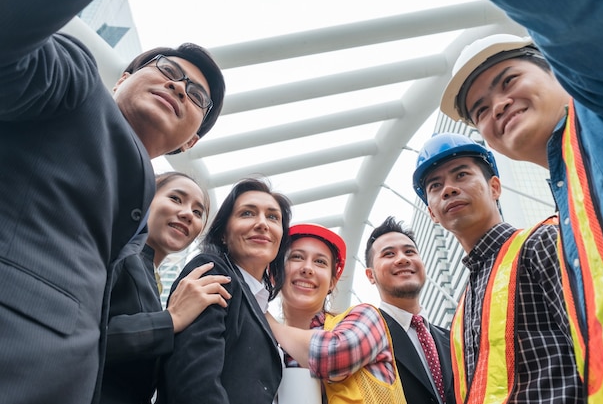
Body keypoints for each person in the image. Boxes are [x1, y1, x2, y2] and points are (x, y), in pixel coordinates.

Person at [0, 0, 225, 403]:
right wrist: (168, 321)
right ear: (122, 78)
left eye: (196, 96)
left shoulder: (135, 219)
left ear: (190, 141)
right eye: (167, 70)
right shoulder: (74, 86)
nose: (178, 87)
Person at [440, 0, 603, 399]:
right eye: (481, 111)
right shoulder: (570, 193)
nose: (498, 107)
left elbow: (579, 21)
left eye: (509, 81)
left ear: (559, 70)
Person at [412, 133, 583, 403]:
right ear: (432, 213)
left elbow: (596, 345)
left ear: (495, 187)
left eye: (461, 175)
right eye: (435, 186)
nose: (448, 189)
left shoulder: (542, 242)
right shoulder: (461, 309)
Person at [158, 177, 291, 404]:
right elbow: (195, 379)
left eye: (272, 217)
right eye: (247, 213)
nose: (262, 224)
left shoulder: (261, 305)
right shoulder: (212, 271)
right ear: (223, 234)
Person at [102, 172, 232, 404]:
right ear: (146, 199)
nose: (187, 214)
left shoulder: (151, 276)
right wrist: (171, 319)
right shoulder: (116, 253)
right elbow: (86, 337)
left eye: (197, 212)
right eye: (176, 198)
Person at [266, 223, 407, 404]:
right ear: (275, 275)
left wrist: (264, 316)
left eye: (320, 262)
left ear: (332, 282)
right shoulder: (265, 347)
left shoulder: (367, 318)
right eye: (297, 257)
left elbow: (332, 356)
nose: (307, 268)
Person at [365, 216, 455, 404]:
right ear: (370, 275)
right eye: (389, 254)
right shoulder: (363, 338)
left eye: (410, 252)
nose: (403, 259)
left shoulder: (455, 339)